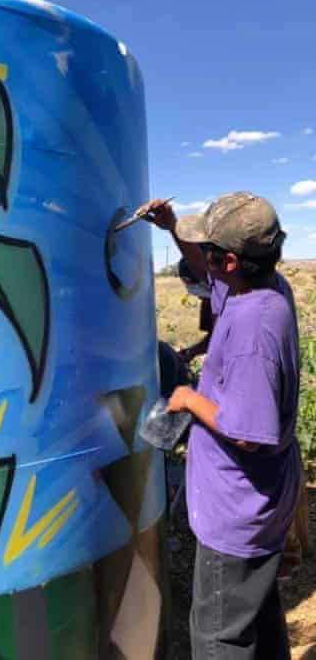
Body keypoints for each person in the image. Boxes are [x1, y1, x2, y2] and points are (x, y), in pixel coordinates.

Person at [141, 192, 300, 659]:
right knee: (258, 616)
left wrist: (190, 398)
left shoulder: (253, 330)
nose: (199, 257)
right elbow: (217, 277)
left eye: (206, 249)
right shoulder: (266, 289)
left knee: (219, 636)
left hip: (238, 510)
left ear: (230, 260)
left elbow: (250, 431)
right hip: (265, 498)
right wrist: (173, 228)